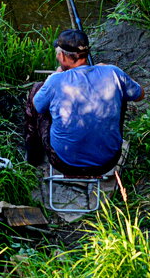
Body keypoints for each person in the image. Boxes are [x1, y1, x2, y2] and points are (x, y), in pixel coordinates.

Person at [25, 28, 143, 176]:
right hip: (107, 162)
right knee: (121, 90)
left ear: (62, 55)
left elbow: (37, 107)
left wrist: (53, 78)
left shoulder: (55, 81)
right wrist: (108, 72)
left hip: (64, 163)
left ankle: (33, 158)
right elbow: (139, 95)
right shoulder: (113, 72)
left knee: (36, 90)